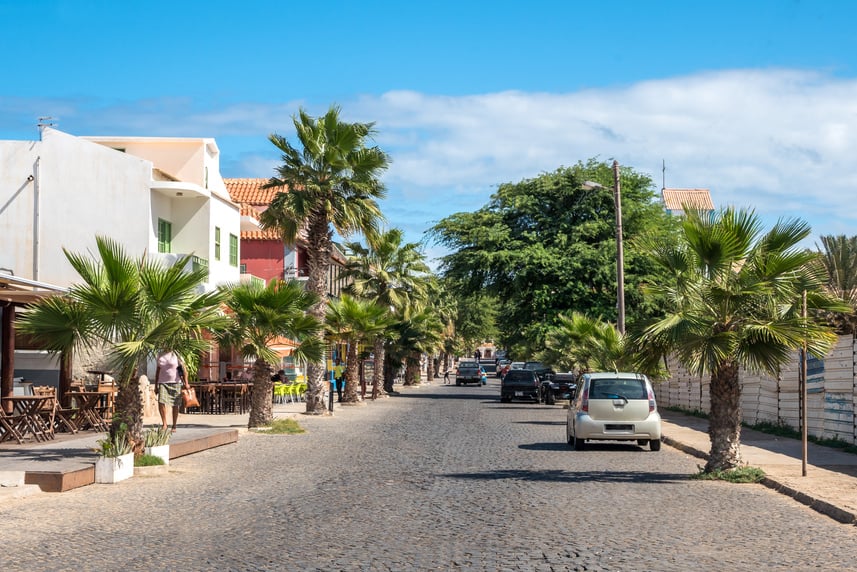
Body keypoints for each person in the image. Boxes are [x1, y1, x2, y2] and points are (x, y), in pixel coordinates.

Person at [155, 349, 189, 433]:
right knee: (161, 402)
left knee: (175, 404)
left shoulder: (176, 354)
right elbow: (157, 371)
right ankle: (165, 424)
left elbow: (183, 370)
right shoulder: (160, 354)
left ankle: (174, 425)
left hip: (176, 383)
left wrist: (186, 383)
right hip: (163, 382)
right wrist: (156, 385)